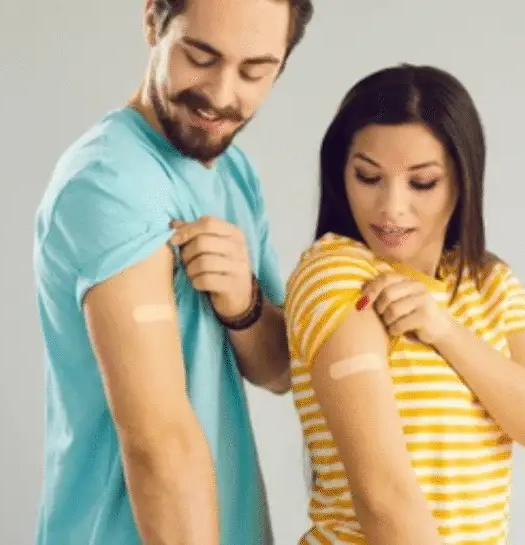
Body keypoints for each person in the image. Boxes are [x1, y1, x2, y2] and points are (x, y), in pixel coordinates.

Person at [32, 0, 314, 543]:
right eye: (200, 57)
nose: (222, 95)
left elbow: (280, 369)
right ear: (152, 22)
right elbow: (160, 445)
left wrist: (246, 306)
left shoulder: (232, 170)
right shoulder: (111, 181)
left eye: (255, 71)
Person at [283, 64, 525, 544]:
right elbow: (383, 496)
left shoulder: (490, 284)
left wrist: (445, 331)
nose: (391, 207)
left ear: (462, 181)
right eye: (368, 177)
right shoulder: (337, 273)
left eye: (421, 183)